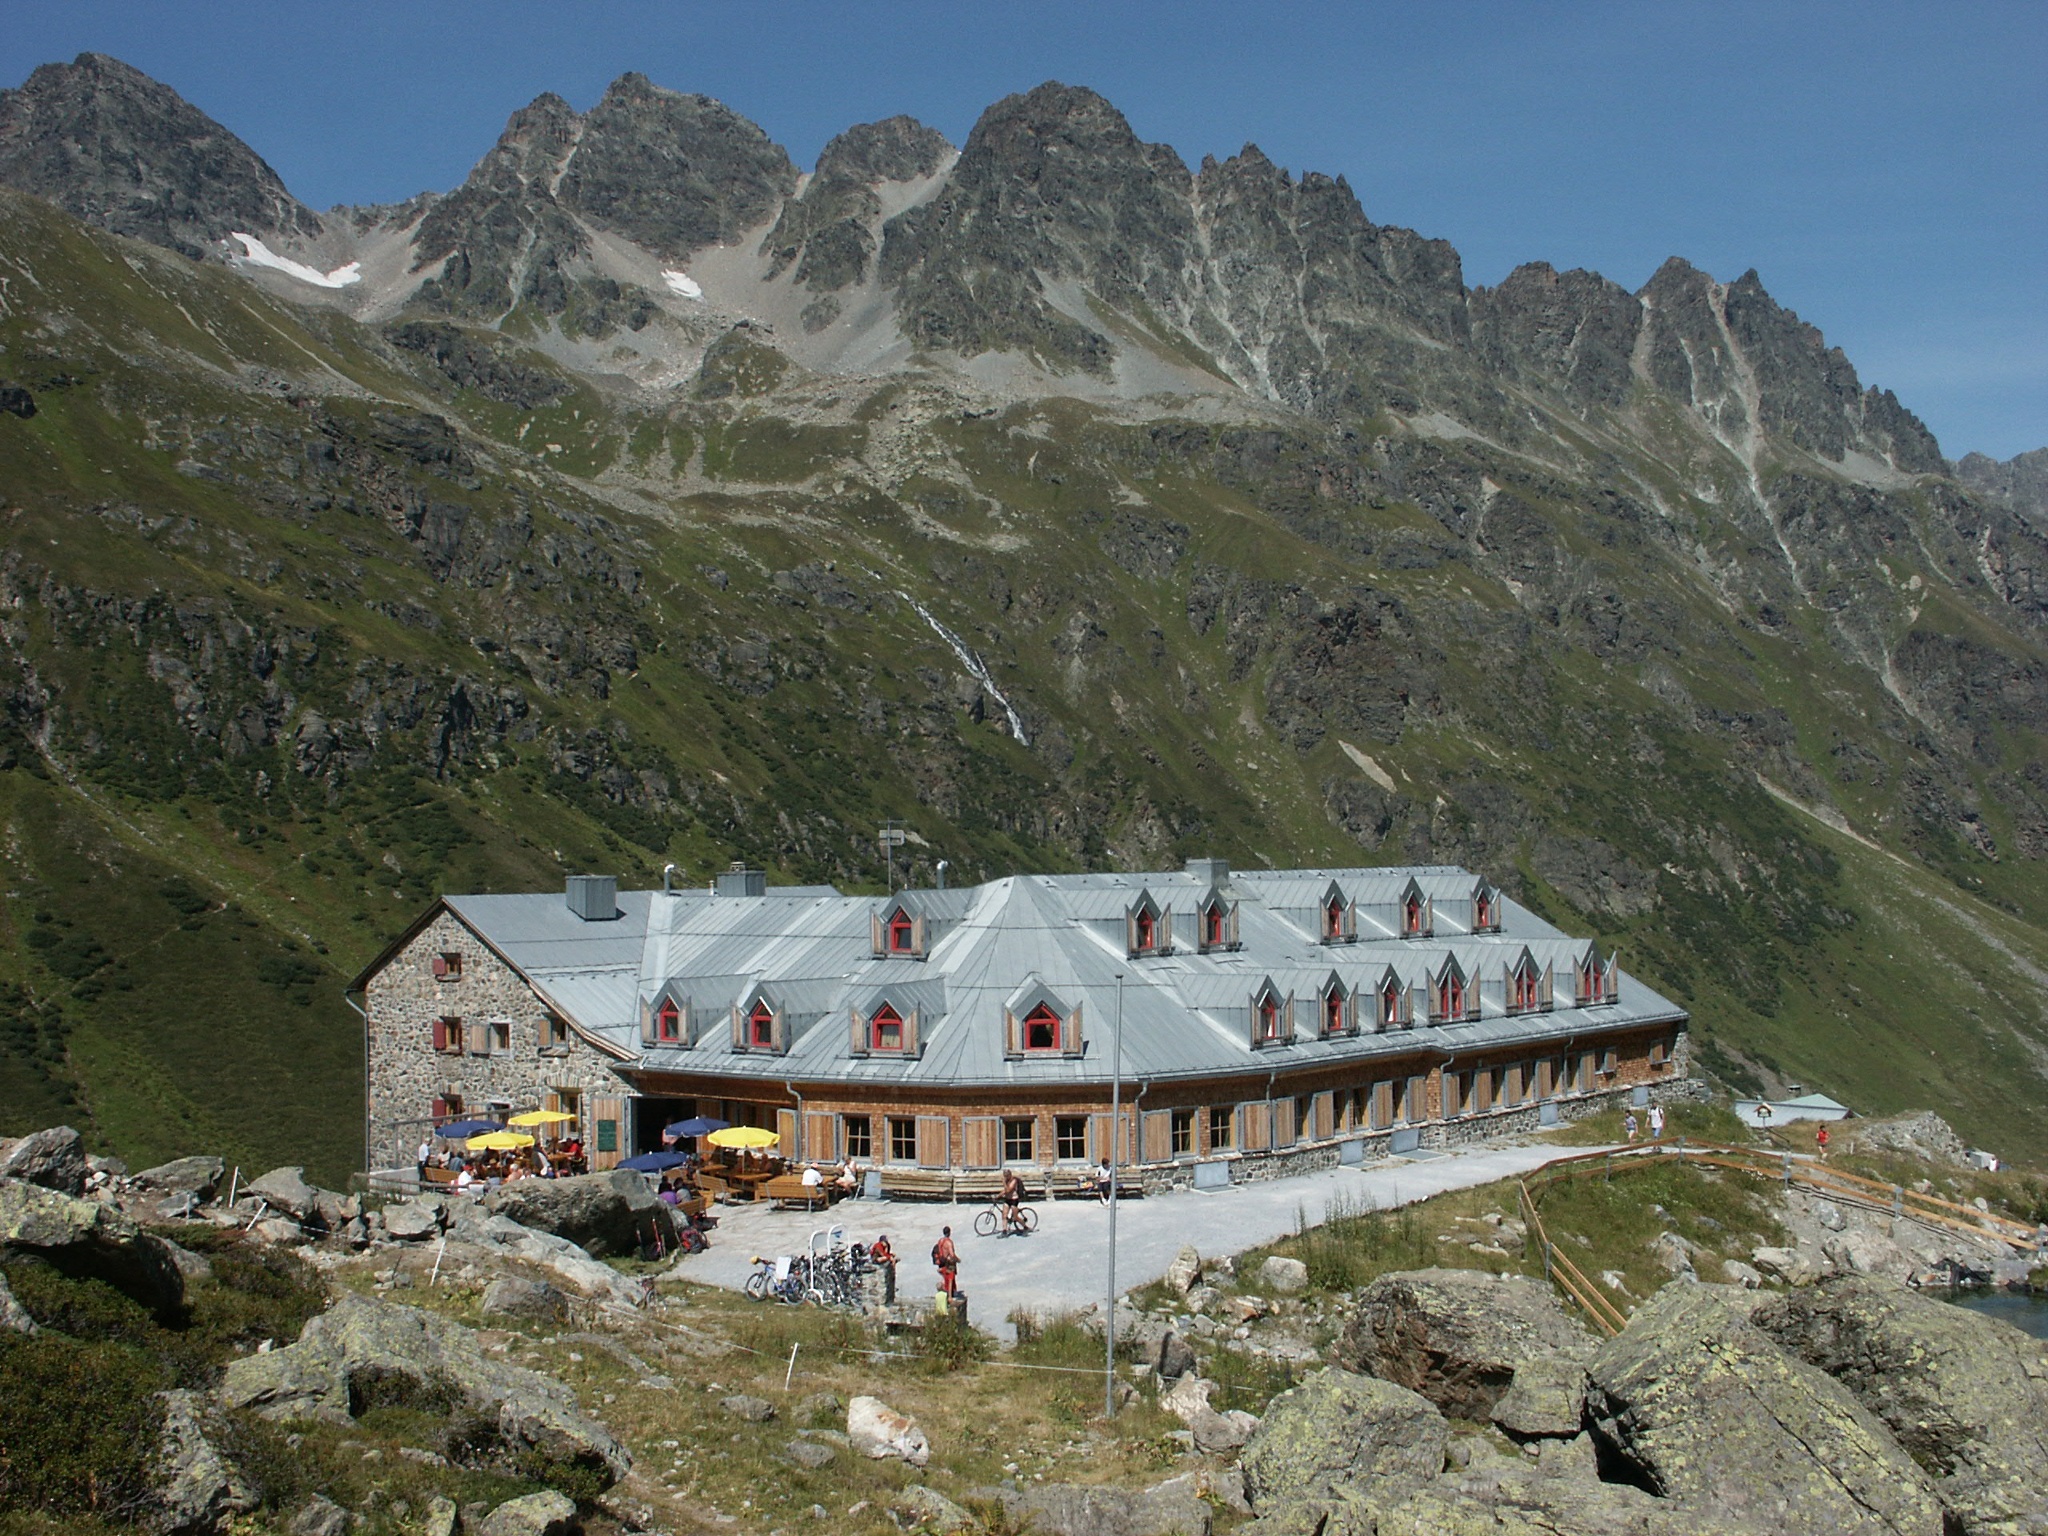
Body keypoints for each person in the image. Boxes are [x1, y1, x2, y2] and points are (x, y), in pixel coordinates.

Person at [869, 1232, 897, 1303]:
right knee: (889, 1259)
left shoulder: (885, 1246)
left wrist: (889, 1253)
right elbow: (882, 1254)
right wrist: (889, 1256)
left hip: (882, 1258)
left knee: (891, 1258)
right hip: (876, 1259)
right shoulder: (878, 1246)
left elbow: (886, 1253)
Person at [932, 1225, 959, 1295]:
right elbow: (952, 1255)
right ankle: (950, 1294)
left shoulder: (940, 1241)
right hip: (948, 1262)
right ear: (949, 1233)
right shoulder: (949, 1242)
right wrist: (958, 1260)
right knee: (950, 1278)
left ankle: (946, 1291)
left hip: (941, 1261)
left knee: (946, 1277)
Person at [999, 1167, 1026, 1235]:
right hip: (1007, 1199)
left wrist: (1004, 1183)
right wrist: (997, 1196)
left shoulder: (1014, 1181)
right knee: (1004, 1215)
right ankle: (1004, 1231)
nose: (1005, 1177)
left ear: (1009, 1175)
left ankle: (1025, 1227)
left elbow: (1008, 1190)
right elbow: (1005, 1191)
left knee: (1015, 1217)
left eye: (1006, 1176)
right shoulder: (1007, 1181)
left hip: (1014, 1199)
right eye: (1004, 1176)